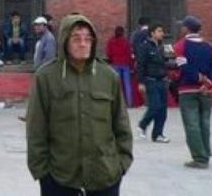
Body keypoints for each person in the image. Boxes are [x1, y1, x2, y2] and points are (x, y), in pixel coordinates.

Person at [26, 14, 132, 195]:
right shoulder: (46, 77)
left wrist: (121, 164)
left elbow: (121, 124)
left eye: (87, 38)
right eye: (76, 38)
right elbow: (36, 127)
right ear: (64, 41)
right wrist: (42, 172)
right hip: (59, 177)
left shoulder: (108, 76)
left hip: (105, 175)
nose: (83, 43)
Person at [174, 15, 212, 169]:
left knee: (192, 124)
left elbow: (184, 68)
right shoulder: (211, 47)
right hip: (206, 91)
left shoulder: (180, 46)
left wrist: (199, 78)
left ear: (186, 28)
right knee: (204, 123)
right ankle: (206, 153)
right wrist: (208, 83)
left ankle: (199, 158)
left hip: (187, 90)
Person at [135, 23, 169, 143]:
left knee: (163, 109)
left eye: (162, 31)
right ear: (152, 33)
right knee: (155, 106)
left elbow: (165, 63)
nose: (162, 33)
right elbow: (140, 65)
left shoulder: (161, 47)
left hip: (162, 81)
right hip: (151, 80)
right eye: (159, 31)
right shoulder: (145, 47)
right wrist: (140, 82)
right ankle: (142, 125)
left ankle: (158, 134)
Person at [107, 26, 134, 107]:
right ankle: (129, 103)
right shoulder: (125, 42)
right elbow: (129, 54)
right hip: (125, 64)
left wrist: (111, 60)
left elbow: (109, 53)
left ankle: (116, 103)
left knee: (116, 84)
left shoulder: (111, 41)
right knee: (127, 84)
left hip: (115, 63)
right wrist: (131, 65)